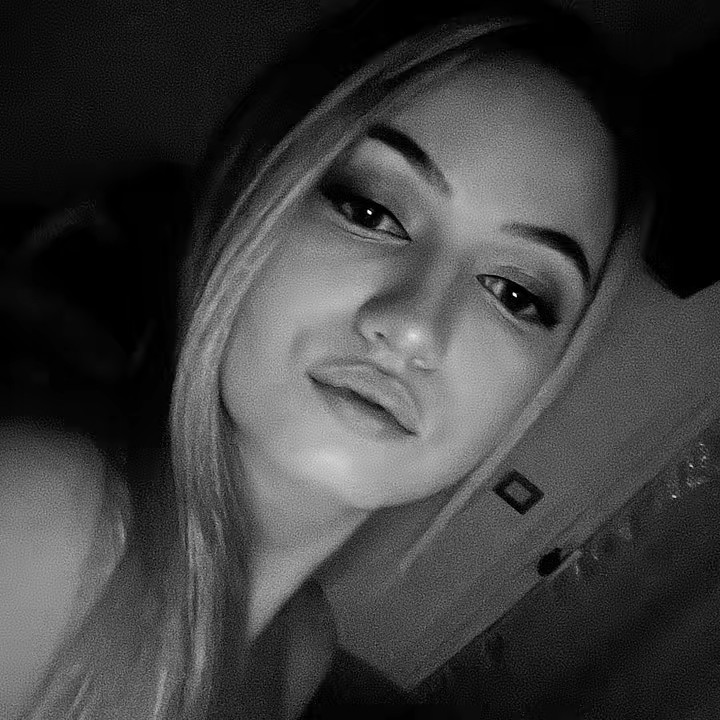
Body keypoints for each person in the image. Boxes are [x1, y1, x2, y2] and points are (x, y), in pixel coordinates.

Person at [0, 0, 644, 717]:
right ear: (247, 195)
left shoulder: (300, 650)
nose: (414, 329)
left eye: (516, 294)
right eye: (371, 211)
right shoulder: (35, 517)